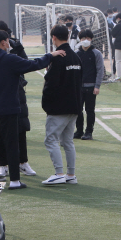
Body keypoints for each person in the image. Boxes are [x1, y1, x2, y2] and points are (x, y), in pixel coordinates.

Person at [0, 30, 63, 189]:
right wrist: (50, 55)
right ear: (3, 42)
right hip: (9, 109)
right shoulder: (9, 59)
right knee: (11, 144)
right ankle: (15, 181)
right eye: (7, 41)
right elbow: (33, 64)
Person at [0, 20, 38, 179]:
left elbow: (27, 63)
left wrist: (17, 50)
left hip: (17, 93)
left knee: (21, 129)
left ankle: (23, 162)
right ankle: (3, 165)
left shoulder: (15, 47)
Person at [42, 24, 83, 185]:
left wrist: (47, 105)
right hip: (74, 105)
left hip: (59, 107)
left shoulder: (58, 57)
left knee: (51, 139)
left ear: (54, 38)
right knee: (67, 141)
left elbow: (50, 84)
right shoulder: (75, 56)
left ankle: (59, 172)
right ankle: (71, 175)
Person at [74, 29, 104, 141]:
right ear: (80, 40)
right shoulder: (76, 53)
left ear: (91, 39)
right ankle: (79, 130)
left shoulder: (96, 53)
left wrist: (97, 86)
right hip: (79, 87)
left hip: (91, 87)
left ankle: (89, 132)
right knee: (78, 110)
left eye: (87, 38)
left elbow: (100, 70)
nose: (85, 40)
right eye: (83, 38)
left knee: (90, 110)